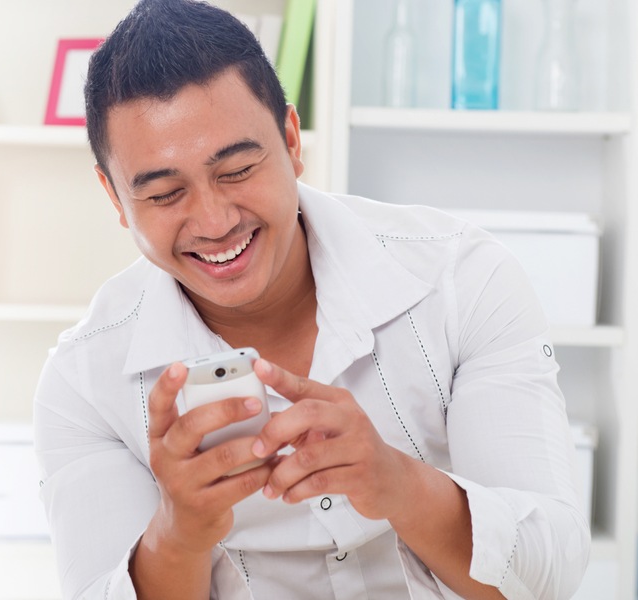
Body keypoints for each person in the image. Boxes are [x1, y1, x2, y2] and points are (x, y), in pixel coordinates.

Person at [30, 0, 590, 598]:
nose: (215, 222)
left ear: (292, 140)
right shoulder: (83, 384)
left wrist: (401, 486)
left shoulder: (463, 281)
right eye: (165, 193)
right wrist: (179, 534)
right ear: (115, 197)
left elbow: (550, 576)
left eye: (237, 170)